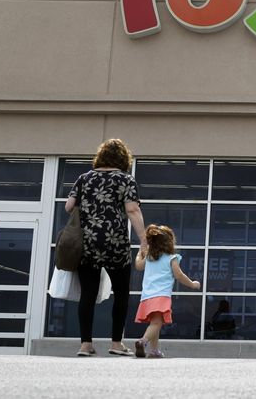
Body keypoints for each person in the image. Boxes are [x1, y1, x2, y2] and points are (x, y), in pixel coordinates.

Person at [66, 139, 147, 357]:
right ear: (123, 158)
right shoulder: (126, 180)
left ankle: (85, 344)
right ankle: (116, 343)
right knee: (121, 293)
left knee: (88, 294)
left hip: (88, 242)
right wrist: (143, 239)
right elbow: (132, 210)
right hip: (115, 241)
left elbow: (68, 206)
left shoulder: (84, 178)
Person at [133, 224, 200, 358]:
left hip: (147, 296)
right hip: (161, 296)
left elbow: (138, 266)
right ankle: (143, 341)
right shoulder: (172, 258)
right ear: (170, 242)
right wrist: (192, 284)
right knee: (157, 323)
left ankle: (154, 351)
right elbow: (179, 275)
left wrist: (139, 254)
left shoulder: (150, 257)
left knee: (155, 324)